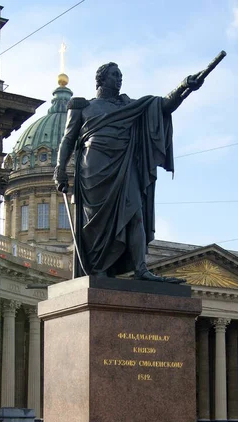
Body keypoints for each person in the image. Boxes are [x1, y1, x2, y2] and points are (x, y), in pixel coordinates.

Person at [54, 62, 204, 282]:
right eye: (115, 75)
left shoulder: (128, 106)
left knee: (135, 215)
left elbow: (162, 106)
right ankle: (99, 270)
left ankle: (140, 268)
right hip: (93, 167)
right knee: (96, 222)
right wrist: (60, 168)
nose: (119, 79)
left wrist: (184, 88)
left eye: (121, 75)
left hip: (124, 165)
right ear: (101, 79)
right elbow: (68, 140)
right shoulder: (82, 106)